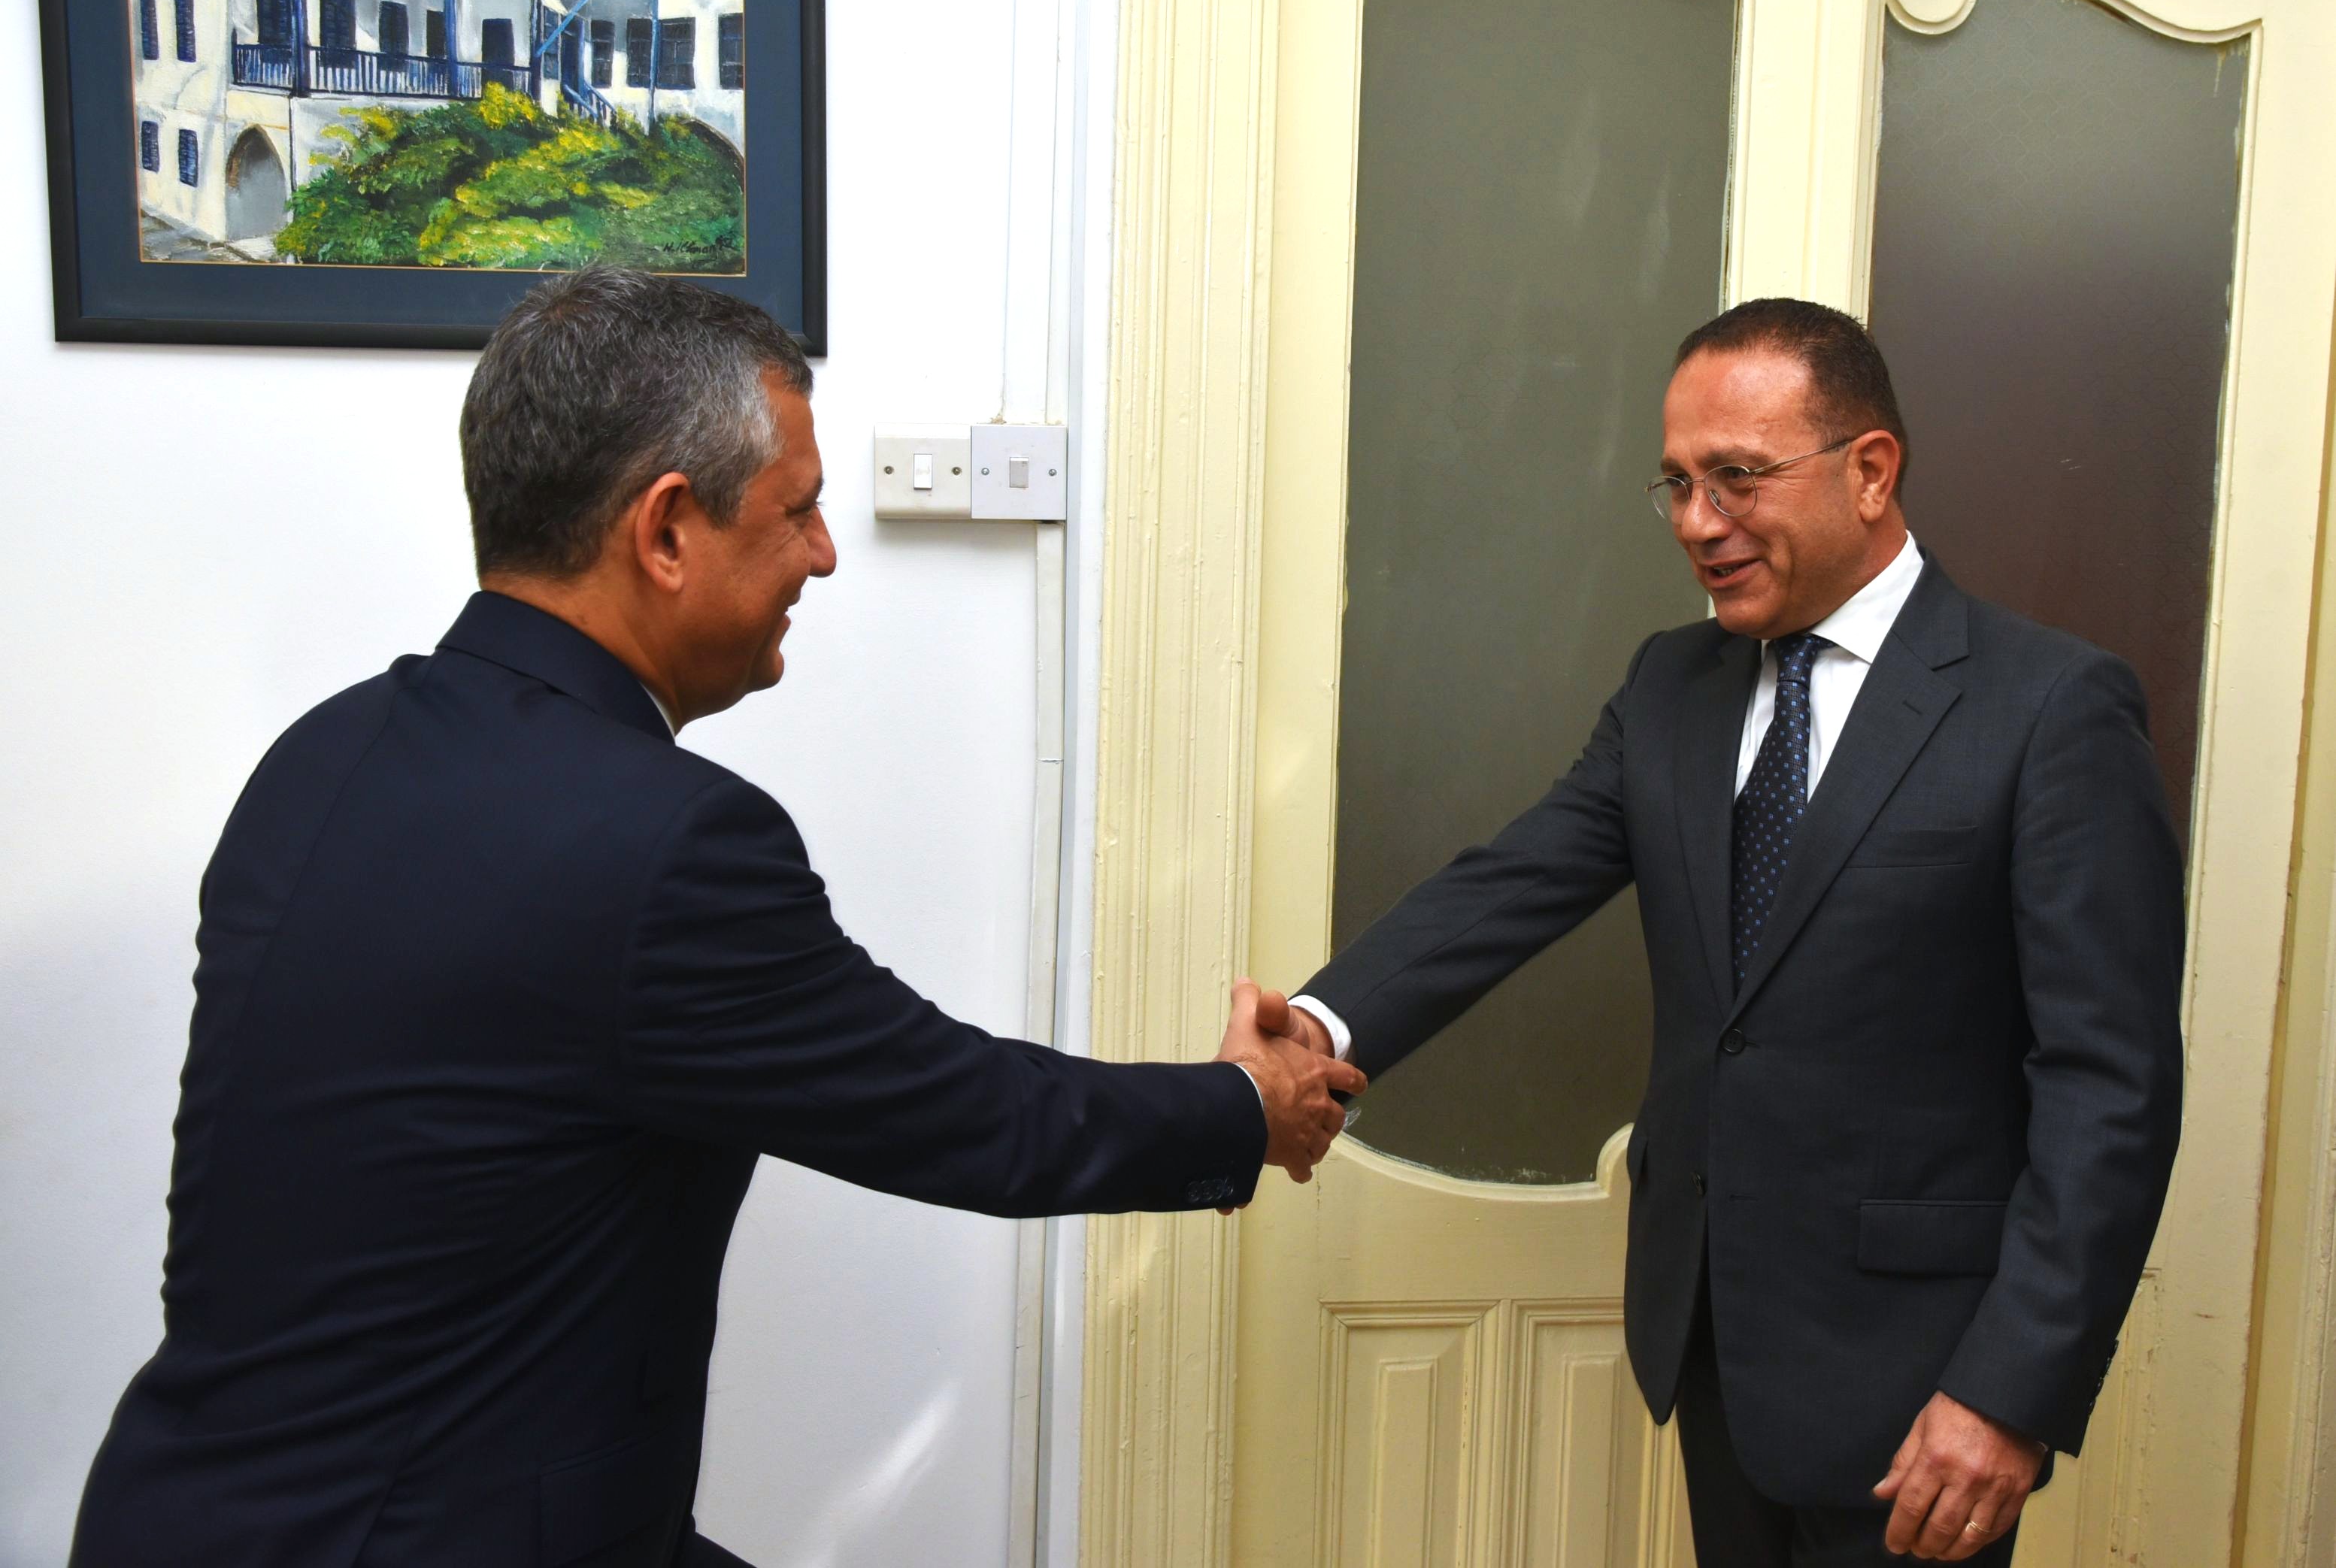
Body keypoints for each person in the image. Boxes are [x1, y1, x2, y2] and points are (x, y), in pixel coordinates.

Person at [71, 267, 1364, 1568]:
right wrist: (1243, 1107)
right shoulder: (667, 844)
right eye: (798, 510)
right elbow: (968, 1116)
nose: (824, 552)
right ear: (668, 529)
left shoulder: (318, 757)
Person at [1277, 298, 2183, 1566]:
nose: (1699, 523)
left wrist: (2010, 1391)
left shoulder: (2048, 707)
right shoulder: (1672, 684)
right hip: (1712, 1337)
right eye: (1680, 484)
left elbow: (2111, 1086)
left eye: (1739, 478)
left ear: (1871, 471)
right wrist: (1314, 1026)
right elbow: (1511, 884)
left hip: (1930, 1383)